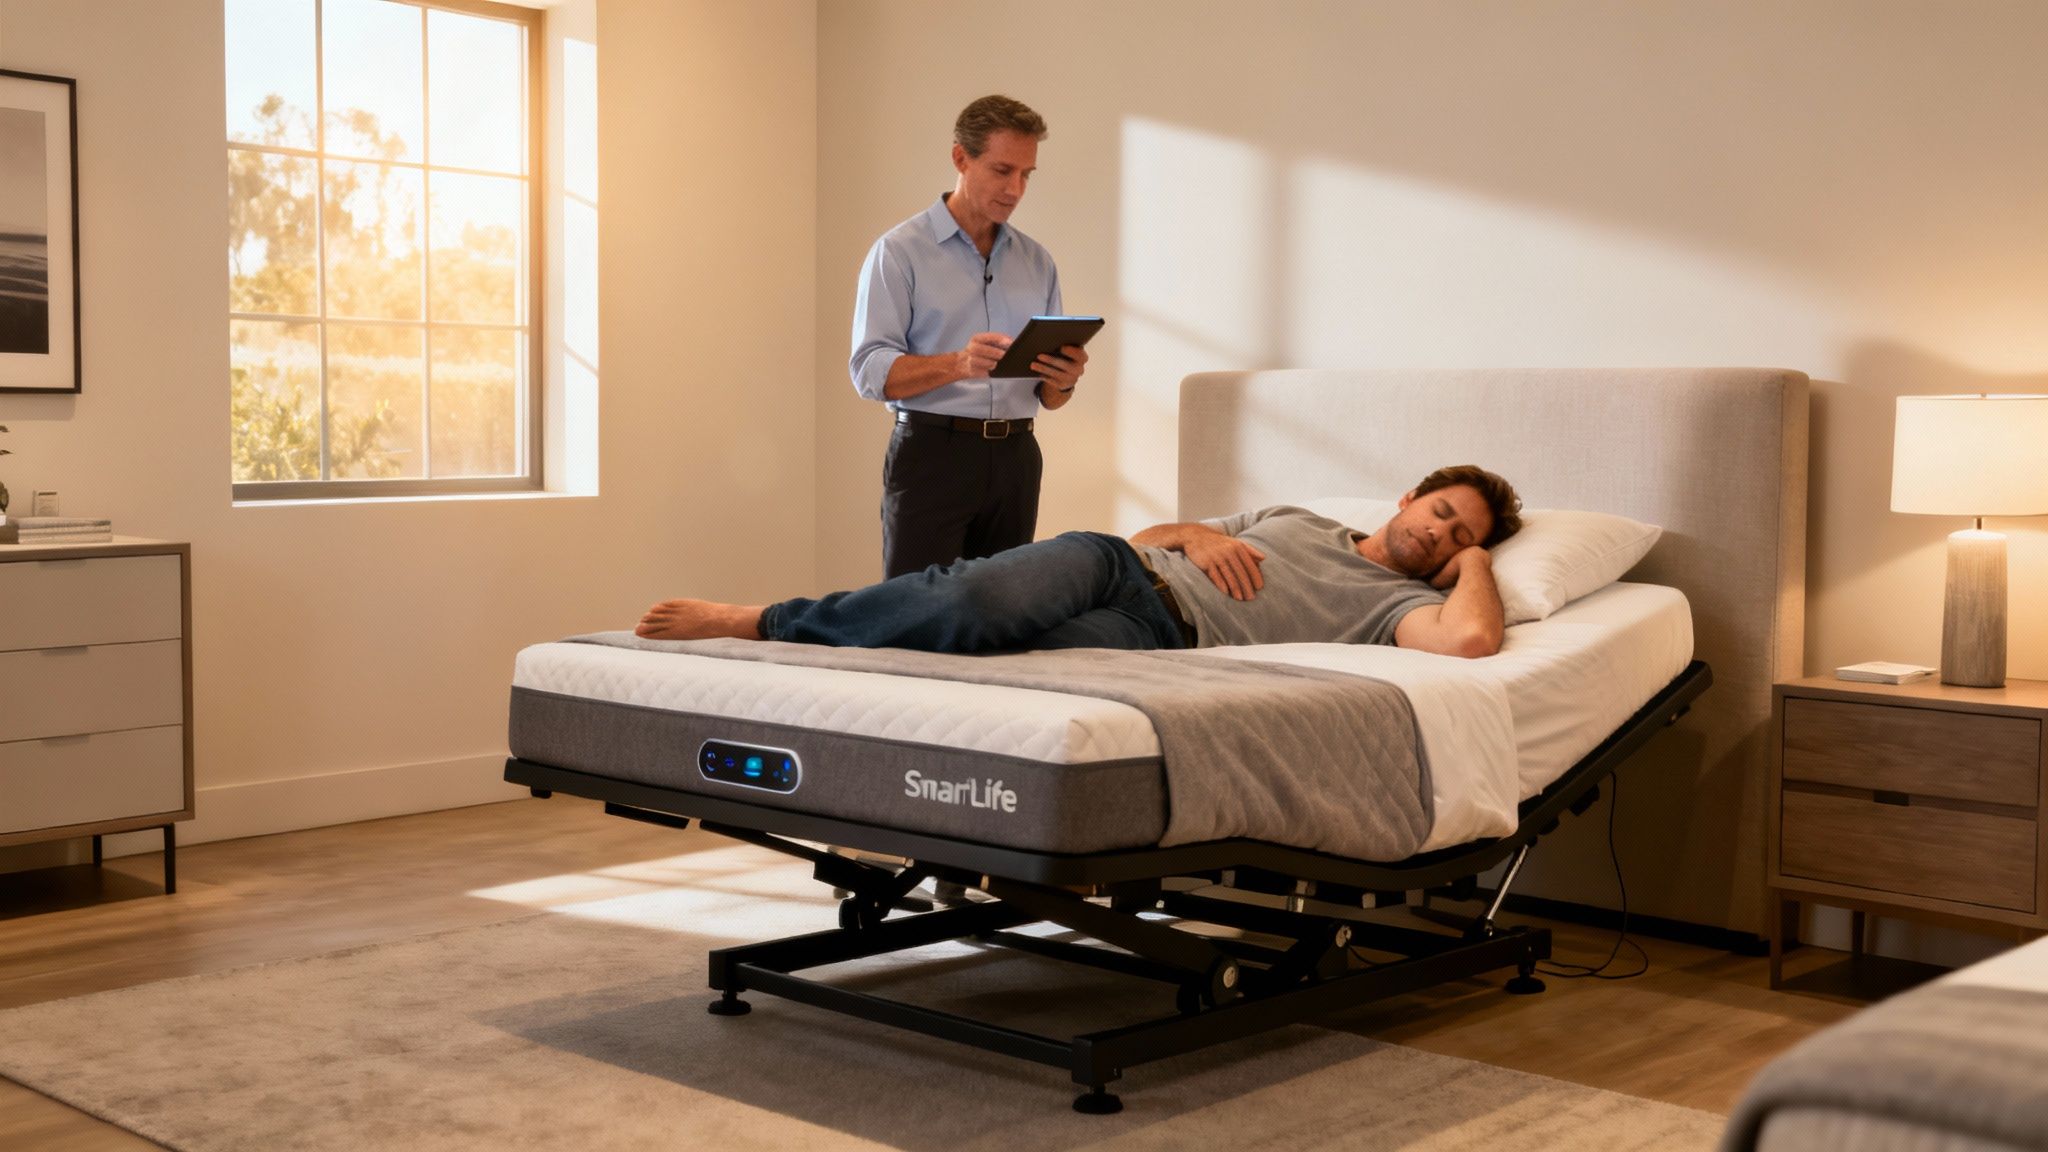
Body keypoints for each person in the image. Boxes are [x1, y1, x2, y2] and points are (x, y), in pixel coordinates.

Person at [638, 465, 1523, 660]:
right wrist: (1198, 534)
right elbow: (1149, 541)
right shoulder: (1295, 515)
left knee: (999, 659)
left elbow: (1472, 645)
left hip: (1157, 639)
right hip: (1116, 568)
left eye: (1458, 537)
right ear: (1410, 497)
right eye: (1442, 513)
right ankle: (763, 620)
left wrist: (1477, 563)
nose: (1439, 535)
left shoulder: (1389, 607)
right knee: (978, 600)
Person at [849, 94, 1089, 580]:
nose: (1016, 188)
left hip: (1017, 460)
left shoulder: (1038, 262)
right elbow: (869, 371)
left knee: (1001, 620)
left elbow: (1051, 399)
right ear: (961, 158)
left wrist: (1063, 381)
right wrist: (958, 364)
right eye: (1003, 170)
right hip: (932, 457)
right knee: (915, 618)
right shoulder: (898, 253)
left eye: (1026, 174)